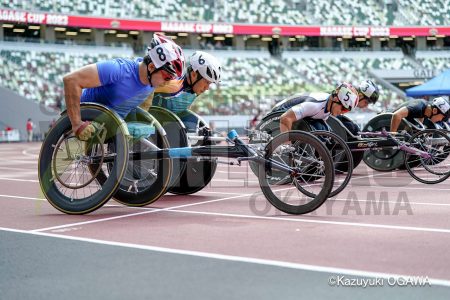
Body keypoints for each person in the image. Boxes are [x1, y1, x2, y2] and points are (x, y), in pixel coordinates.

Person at [63, 34, 185, 141]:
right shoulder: (118, 70)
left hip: (111, 122)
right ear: (152, 67)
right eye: (168, 77)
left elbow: (144, 105)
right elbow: (71, 80)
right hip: (87, 115)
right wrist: (77, 124)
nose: (167, 82)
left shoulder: (151, 81)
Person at [139, 51, 221, 130]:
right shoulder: (172, 85)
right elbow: (142, 86)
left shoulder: (194, 90)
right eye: (206, 82)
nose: (207, 88)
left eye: (210, 83)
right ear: (194, 74)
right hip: (143, 122)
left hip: (161, 126)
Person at [279, 82, 359, 133]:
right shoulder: (315, 105)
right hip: (278, 117)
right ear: (335, 99)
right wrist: (287, 146)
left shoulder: (328, 106)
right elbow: (285, 118)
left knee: (322, 130)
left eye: (346, 111)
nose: (343, 112)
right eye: (343, 109)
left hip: (290, 118)